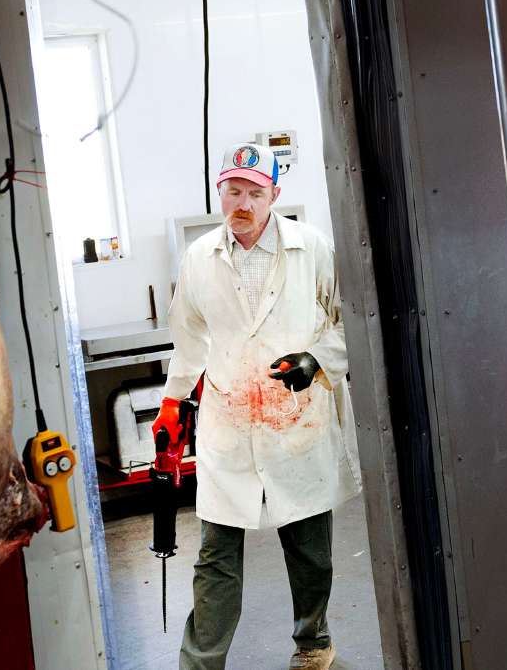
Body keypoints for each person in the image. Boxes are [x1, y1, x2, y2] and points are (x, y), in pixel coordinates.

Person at [154, 142, 361, 670]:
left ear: (275, 195)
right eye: (232, 191)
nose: (241, 203)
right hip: (229, 422)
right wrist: (174, 400)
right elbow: (189, 339)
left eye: (254, 192)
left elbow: (346, 320)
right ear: (218, 191)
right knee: (215, 557)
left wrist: (316, 360)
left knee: (310, 549)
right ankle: (200, 663)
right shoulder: (200, 257)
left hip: (297, 420)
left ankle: (313, 643)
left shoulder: (310, 247)